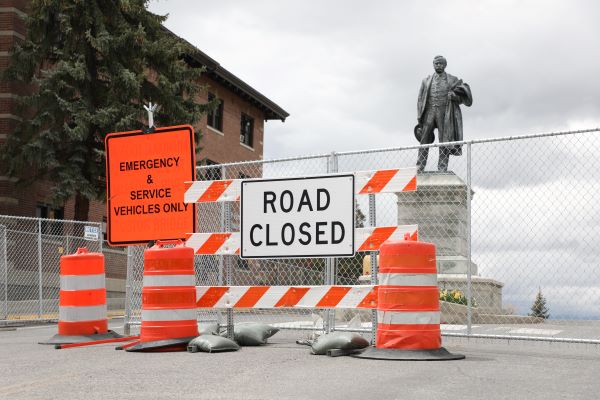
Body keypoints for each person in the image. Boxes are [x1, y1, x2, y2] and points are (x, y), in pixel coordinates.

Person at [415, 55, 472, 172]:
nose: (438, 65)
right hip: (429, 112)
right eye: (436, 63)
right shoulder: (425, 81)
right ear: (433, 64)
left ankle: (442, 167)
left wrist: (454, 97)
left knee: (444, 139)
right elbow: (420, 99)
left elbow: (462, 98)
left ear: (445, 65)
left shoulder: (452, 80)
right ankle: (420, 165)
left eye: (441, 63)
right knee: (424, 139)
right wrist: (419, 116)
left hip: (445, 112)